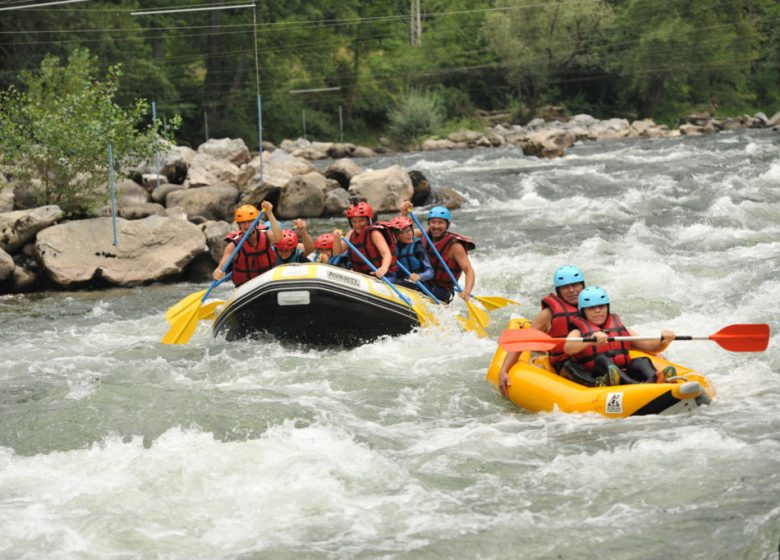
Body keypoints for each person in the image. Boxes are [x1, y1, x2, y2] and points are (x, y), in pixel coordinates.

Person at [498, 265, 586, 398]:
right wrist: (504, 371)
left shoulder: (594, 307)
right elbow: (524, 340)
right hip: (565, 364)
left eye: (575, 285)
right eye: (565, 287)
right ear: (559, 291)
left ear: (582, 286)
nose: (572, 290)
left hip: (590, 357)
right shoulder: (548, 314)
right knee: (571, 367)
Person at [562, 286, 676, 386]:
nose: (597, 311)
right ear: (583, 311)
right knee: (602, 360)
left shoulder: (621, 329)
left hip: (622, 372)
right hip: (597, 375)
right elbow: (568, 348)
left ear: (607, 308)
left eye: (601, 306)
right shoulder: (577, 332)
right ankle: (635, 385)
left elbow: (652, 347)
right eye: (591, 308)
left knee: (642, 360)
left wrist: (664, 341)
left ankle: (655, 379)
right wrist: (591, 341)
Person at [399, 201, 475, 303]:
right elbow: (400, 233)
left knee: (402, 283)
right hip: (422, 281)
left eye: (440, 222)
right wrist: (404, 213)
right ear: (429, 223)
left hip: (440, 291)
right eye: (433, 222)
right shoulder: (424, 234)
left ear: (447, 225)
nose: (436, 226)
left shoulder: (455, 246)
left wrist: (467, 291)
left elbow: (469, 271)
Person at [214, 201, 282, 287]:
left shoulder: (266, 235)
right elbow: (221, 266)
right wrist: (218, 272)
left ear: (256, 223)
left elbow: (279, 237)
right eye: (242, 222)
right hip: (245, 287)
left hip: (267, 283)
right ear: (239, 225)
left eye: (250, 222)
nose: (246, 226)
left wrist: (269, 213)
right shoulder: (233, 246)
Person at [335, 201, 397, 279]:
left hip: (382, 276)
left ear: (368, 220)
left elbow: (386, 254)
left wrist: (383, 268)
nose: (357, 224)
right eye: (354, 221)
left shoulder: (374, 233)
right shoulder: (351, 233)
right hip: (362, 276)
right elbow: (337, 253)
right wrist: (336, 239)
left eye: (361, 221)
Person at [390, 215, 433, 290]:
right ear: (396, 235)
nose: (409, 234)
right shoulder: (394, 248)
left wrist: (419, 276)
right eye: (404, 232)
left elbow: (430, 272)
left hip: (419, 283)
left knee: (401, 283)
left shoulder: (417, 247)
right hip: (400, 280)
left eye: (410, 230)